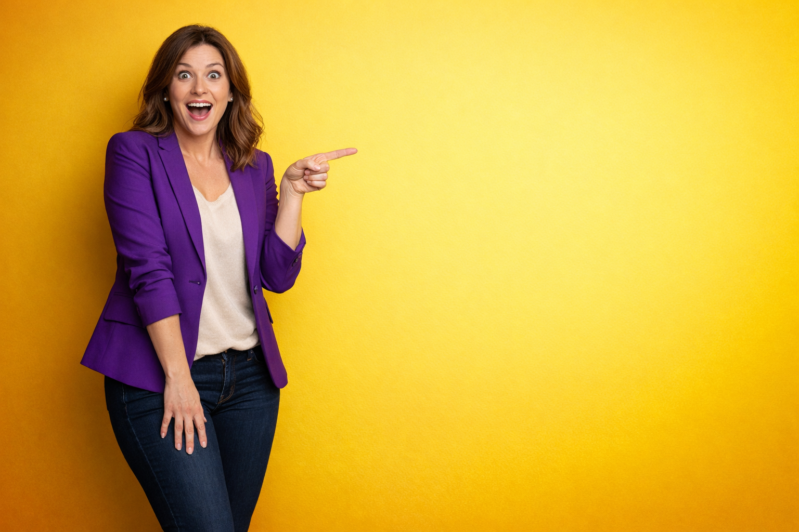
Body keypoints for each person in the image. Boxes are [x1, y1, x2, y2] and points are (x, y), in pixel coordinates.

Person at [80, 24, 356, 531]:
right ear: (166, 87)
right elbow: (149, 269)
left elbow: (276, 275)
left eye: (214, 75)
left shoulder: (254, 166)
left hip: (250, 382)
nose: (199, 88)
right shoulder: (133, 153)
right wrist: (178, 378)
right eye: (185, 75)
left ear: (231, 92)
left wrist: (291, 193)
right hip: (159, 376)